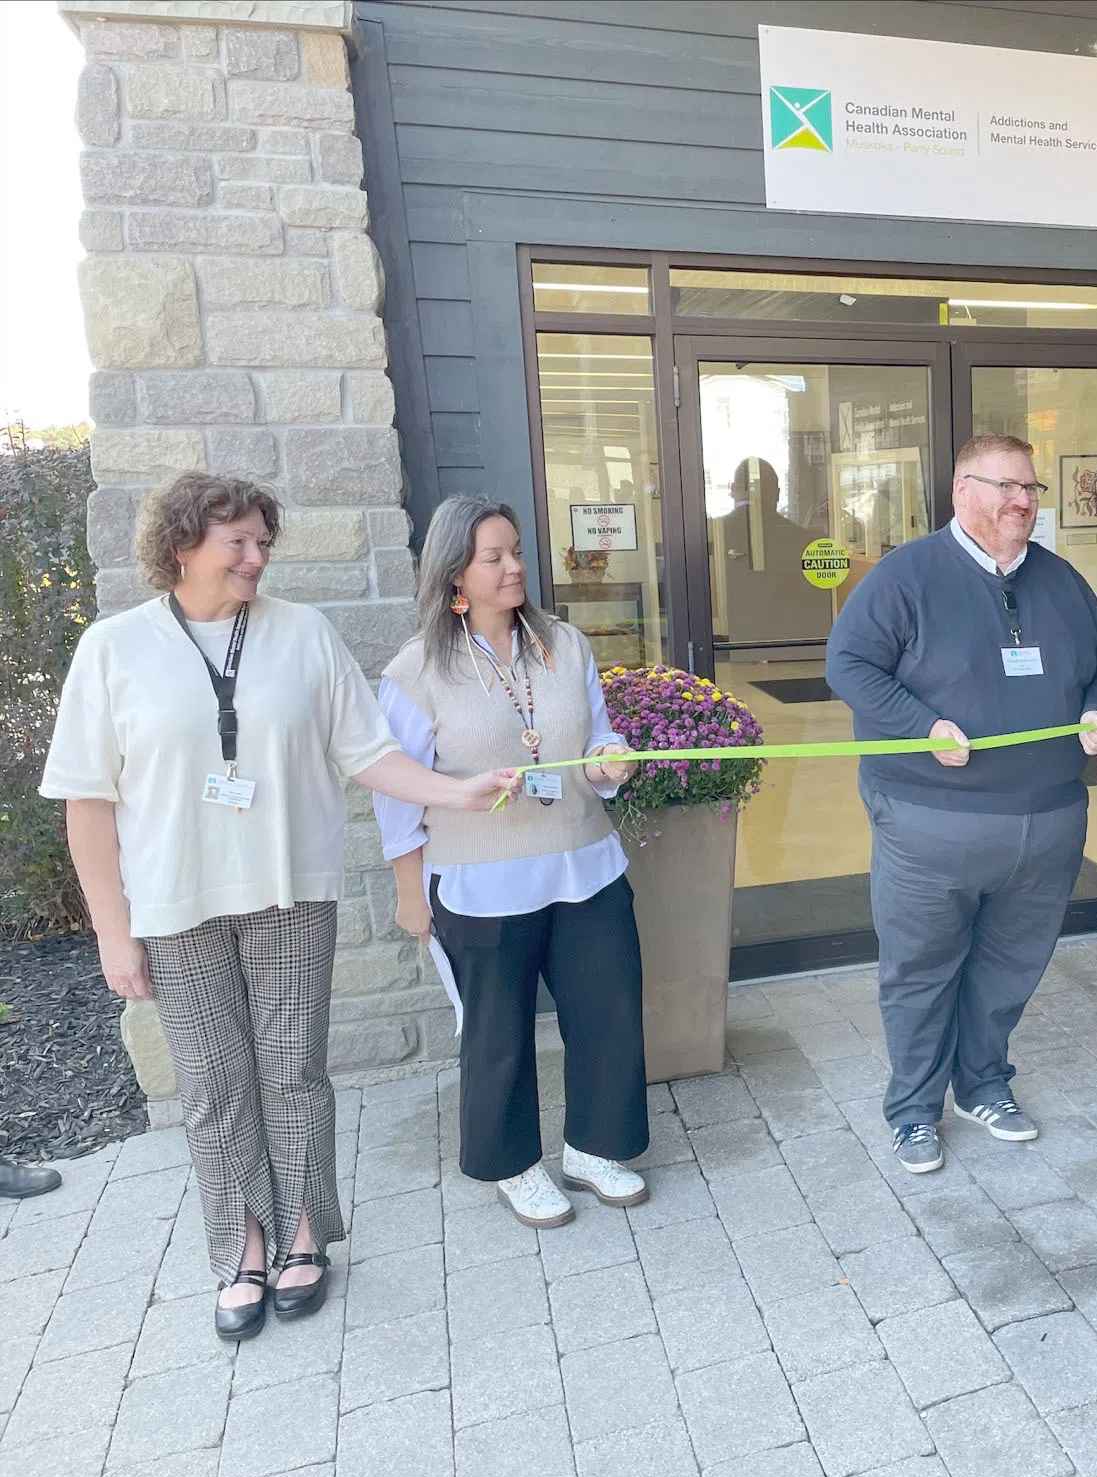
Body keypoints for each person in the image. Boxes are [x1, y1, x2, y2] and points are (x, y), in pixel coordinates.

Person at [40, 473, 519, 1341]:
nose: (258, 557)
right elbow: (87, 805)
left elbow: (369, 754)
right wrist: (114, 931)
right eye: (239, 543)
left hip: (292, 893)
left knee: (294, 1072)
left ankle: (304, 1233)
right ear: (182, 545)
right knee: (215, 1086)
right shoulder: (113, 650)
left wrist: (455, 791)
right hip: (177, 906)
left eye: (265, 541)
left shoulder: (304, 635)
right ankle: (241, 1245)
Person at [826, 434, 1097, 1174]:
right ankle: (914, 1111)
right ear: (963, 490)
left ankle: (983, 1083)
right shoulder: (907, 575)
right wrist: (920, 726)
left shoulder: (1060, 580)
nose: (1023, 501)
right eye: (1007, 486)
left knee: (1010, 966)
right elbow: (849, 663)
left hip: (1048, 820)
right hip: (931, 822)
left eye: (1032, 488)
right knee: (922, 971)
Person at [374, 497, 650, 1230]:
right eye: (493, 556)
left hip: (585, 865)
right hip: (480, 882)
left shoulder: (563, 643)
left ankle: (596, 1146)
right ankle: (513, 1163)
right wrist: (411, 892)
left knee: (609, 1010)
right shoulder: (416, 672)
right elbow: (397, 794)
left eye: (517, 551)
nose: (514, 567)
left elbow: (596, 743)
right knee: (498, 1029)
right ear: (454, 571)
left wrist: (609, 760)